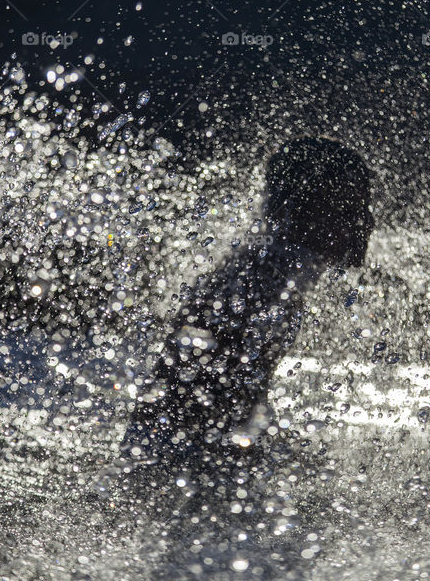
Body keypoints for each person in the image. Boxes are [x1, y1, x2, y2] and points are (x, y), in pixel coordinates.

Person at [122, 136, 374, 464]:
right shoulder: (261, 286)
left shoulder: (263, 271)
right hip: (176, 479)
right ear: (292, 210)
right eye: (346, 209)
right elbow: (205, 422)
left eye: (366, 207)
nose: (366, 223)